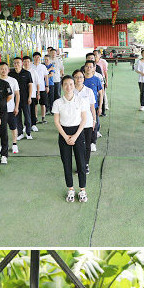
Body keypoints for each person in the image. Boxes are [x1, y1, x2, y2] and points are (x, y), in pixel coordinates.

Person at [52, 75, 90, 203]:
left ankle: (82, 190)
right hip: (64, 133)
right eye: (66, 84)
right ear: (62, 86)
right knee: (66, 162)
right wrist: (65, 136)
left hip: (78, 133)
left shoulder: (80, 101)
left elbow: (84, 119)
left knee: (81, 162)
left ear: (74, 86)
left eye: (71, 84)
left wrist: (75, 136)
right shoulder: (57, 103)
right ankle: (71, 189)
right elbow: (57, 122)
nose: (68, 87)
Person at [71, 69, 98, 169]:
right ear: (73, 78)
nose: (79, 79)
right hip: (74, 122)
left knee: (87, 144)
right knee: (77, 145)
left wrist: (94, 120)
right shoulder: (71, 91)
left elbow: (92, 107)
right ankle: (79, 164)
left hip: (87, 122)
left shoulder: (88, 91)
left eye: (81, 77)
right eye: (76, 77)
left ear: (84, 78)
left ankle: (85, 164)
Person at [0, 61, 21, 154]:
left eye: (5, 69)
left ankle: (14, 144)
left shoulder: (13, 80)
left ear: (8, 70)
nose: (3, 71)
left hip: (11, 109)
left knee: (13, 127)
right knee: (1, 129)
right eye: (1, 69)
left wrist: (16, 107)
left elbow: (17, 94)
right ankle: (4, 145)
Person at [80, 60, 104, 141]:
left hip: (94, 106)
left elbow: (101, 94)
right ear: (84, 67)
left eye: (91, 67)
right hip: (81, 107)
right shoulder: (80, 79)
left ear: (94, 68)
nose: (89, 68)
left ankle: (93, 142)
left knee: (94, 124)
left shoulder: (96, 79)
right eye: (87, 66)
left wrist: (100, 107)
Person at [11, 58, 34, 145]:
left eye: (18, 63)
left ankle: (28, 132)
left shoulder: (27, 73)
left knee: (27, 116)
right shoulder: (11, 74)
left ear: (21, 64)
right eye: (15, 63)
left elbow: (30, 86)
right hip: (15, 99)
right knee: (17, 117)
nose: (16, 64)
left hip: (25, 98)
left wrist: (29, 97)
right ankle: (20, 133)